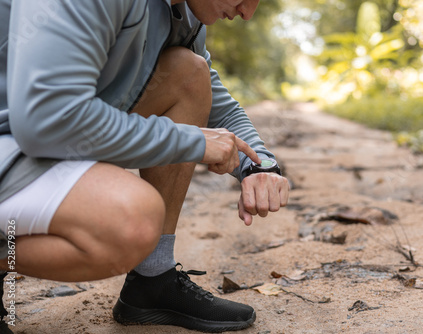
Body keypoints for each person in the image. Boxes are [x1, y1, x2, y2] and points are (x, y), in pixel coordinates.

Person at [0, 0, 290, 332]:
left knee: (189, 73)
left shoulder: (180, 13)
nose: (248, 13)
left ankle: (152, 282)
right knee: (133, 220)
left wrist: (260, 166)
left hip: (34, 140)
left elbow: (215, 102)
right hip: (24, 135)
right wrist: (192, 141)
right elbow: (48, 120)